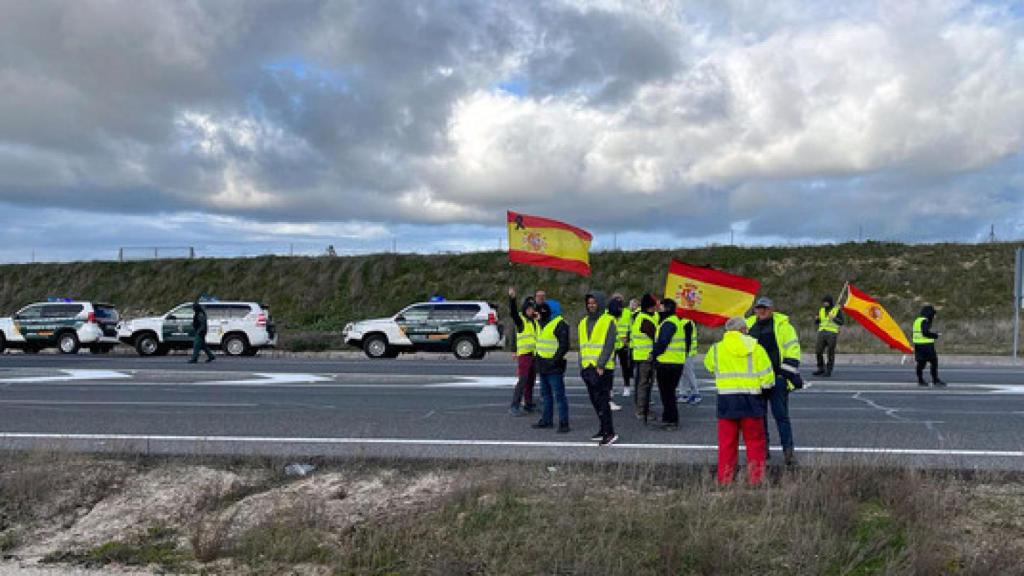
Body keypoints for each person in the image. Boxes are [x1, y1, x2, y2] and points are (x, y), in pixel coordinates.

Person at [705, 317, 774, 486]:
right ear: (743, 329)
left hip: (727, 400)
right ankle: (756, 480)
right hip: (751, 399)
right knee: (755, 443)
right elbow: (768, 378)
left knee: (727, 443)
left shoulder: (716, 349)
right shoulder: (756, 348)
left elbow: (709, 366)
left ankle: (725, 480)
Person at [746, 297, 800, 466]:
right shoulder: (747, 326)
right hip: (756, 381)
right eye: (758, 308)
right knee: (759, 418)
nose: (761, 311)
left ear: (772, 309)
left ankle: (788, 452)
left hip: (777, 380)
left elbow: (793, 351)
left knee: (781, 417)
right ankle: (763, 450)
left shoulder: (785, 327)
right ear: (754, 310)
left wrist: (783, 376)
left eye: (765, 308)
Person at [578, 292, 618, 445]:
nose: (591, 305)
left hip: (602, 368)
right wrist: (582, 365)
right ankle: (603, 428)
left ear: (600, 303)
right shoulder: (583, 322)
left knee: (603, 401)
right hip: (587, 367)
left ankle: (610, 432)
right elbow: (583, 346)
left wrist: (600, 364)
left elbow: (609, 344)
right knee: (595, 401)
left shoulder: (608, 321)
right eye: (589, 303)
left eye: (594, 302)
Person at [532, 301, 571, 433]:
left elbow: (564, 346)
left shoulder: (560, 324)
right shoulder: (544, 322)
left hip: (553, 366)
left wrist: (554, 360)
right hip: (543, 364)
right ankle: (546, 420)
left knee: (559, 396)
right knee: (546, 395)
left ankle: (564, 422)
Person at [652, 298, 686, 430]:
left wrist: (653, 354)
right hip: (675, 362)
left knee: (667, 393)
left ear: (666, 308)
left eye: (660, 307)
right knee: (668, 392)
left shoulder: (668, 323)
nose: (658, 310)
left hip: (668, 363)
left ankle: (671, 420)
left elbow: (662, 342)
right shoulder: (674, 321)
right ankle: (668, 417)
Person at [508, 287, 538, 415]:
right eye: (529, 309)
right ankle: (514, 405)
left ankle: (528, 403)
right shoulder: (521, 321)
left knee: (531, 380)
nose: (531, 311)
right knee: (523, 380)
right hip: (525, 355)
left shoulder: (534, 322)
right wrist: (512, 299)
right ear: (525, 309)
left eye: (533, 309)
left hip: (534, 354)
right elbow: (513, 312)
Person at [630, 294, 659, 422]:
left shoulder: (644, 317)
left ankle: (642, 408)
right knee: (644, 384)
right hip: (646, 357)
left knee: (642, 383)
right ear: (650, 306)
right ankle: (642, 410)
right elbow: (656, 335)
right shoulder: (645, 320)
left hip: (642, 355)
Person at [913, 305, 946, 387]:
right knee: (934, 362)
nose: (934, 316)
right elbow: (925, 333)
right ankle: (935, 380)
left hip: (918, 345)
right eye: (933, 314)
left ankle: (920, 380)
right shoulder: (925, 321)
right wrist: (935, 335)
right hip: (927, 346)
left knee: (921, 363)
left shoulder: (917, 321)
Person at [608, 293, 633, 399]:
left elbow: (631, 328)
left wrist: (628, 339)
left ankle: (626, 386)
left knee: (625, 367)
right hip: (611, 344)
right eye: (616, 299)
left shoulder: (627, 313)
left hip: (623, 344)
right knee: (609, 367)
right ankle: (610, 389)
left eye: (620, 299)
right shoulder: (607, 313)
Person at [813, 294, 844, 377]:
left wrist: (834, 318)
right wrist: (817, 320)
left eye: (826, 302)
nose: (824, 303)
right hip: (821, 332)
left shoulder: (836, 310)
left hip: (832, 333)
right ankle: (821, 368)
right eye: (823, 302)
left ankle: (828, 370)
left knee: (830, 352)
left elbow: (841, 322)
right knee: (818, 351)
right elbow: (818, 322)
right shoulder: (821, 310)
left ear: (830, 302)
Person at [678, 317, 701, 405]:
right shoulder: (686, 321)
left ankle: (696, 393)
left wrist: (685, 352)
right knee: (684, 373)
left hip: (687, 353)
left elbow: (688, 340)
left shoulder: (686, 322)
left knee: (688, 373)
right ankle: (683, 393)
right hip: (685, 352)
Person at [188, 299, 215, 364]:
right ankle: (211, 356)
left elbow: (203, 324)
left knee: (196, 345)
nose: (192, 309)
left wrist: (199, 331)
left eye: (193, 307)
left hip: (200, 332)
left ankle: (194, 359)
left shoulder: (200, 314)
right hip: (200, 331)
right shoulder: (198, 313)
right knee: (203, 345)